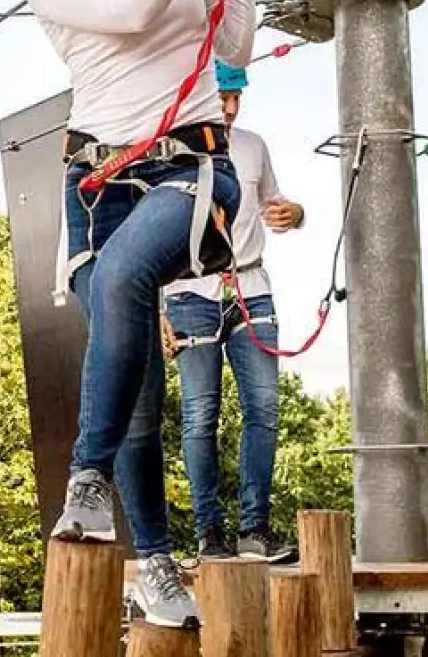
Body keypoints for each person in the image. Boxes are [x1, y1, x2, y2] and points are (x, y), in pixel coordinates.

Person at [19, 0, 258, 628]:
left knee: (123, 280)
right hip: (96, 186)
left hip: (191, 169)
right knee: (134, 386)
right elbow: (127, 11)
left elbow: (230, 43)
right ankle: (154, 563)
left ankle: (84, 479)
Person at [161, 61, 304, 563]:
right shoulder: (170, 146)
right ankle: (208, 533)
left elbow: (276, 204)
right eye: (222, 95)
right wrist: (158, 306)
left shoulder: (252, 145)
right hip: (188, 290)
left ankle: (255, 527)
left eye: (236, 97)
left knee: (263, 406)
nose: (229, 106)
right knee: (201, 414)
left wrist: (295, 215)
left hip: (250, 282)